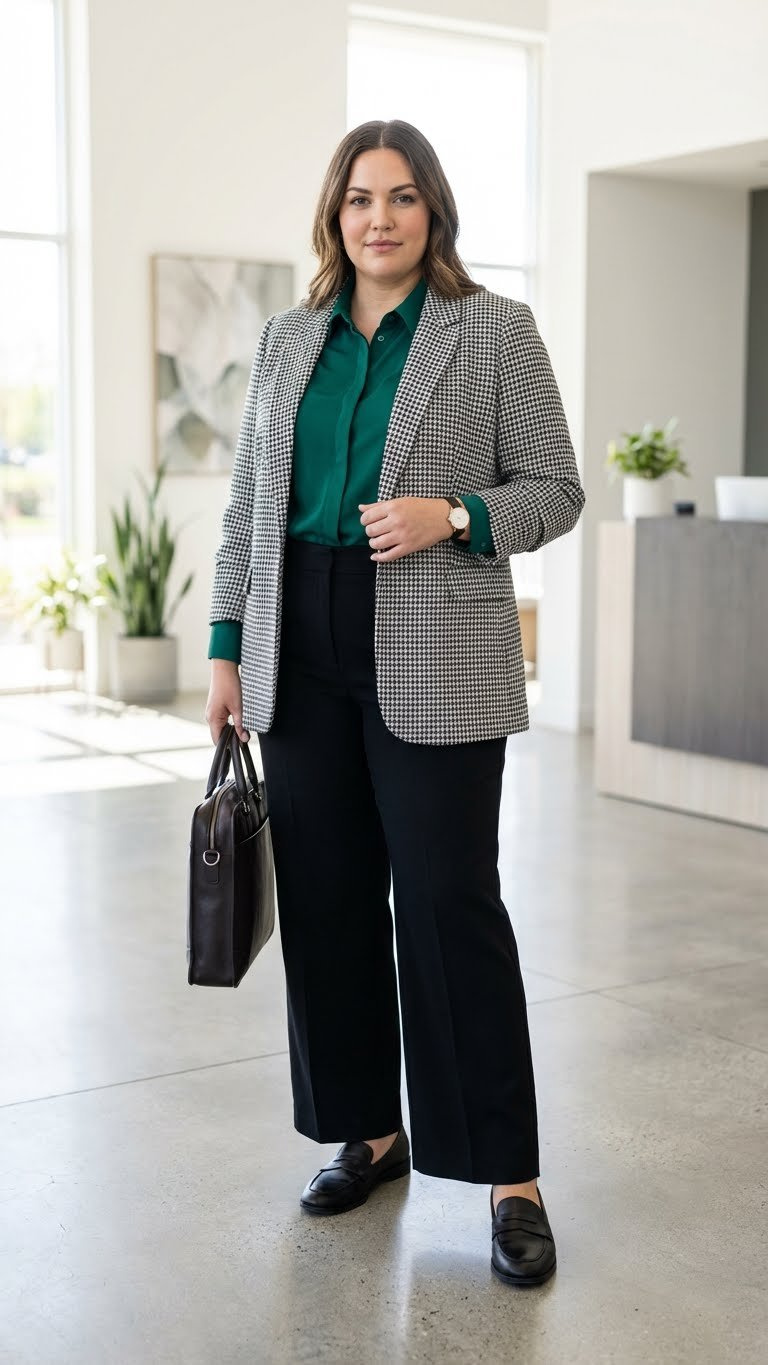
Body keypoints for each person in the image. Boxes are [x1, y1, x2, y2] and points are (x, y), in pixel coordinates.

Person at [205, 119, 585, 1288]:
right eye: (361, 198)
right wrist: (224, 651)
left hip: (437, 648)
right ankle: (368, 1132)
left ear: (434, 213)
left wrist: (455, 515)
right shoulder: (288, 339)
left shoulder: (493, 330)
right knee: (325, 904)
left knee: (447, 903)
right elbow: (247, 507)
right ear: (336, 214)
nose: (381, 218)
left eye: (403, 197)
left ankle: (510, 1179)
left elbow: (557, 489)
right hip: (298, 642)